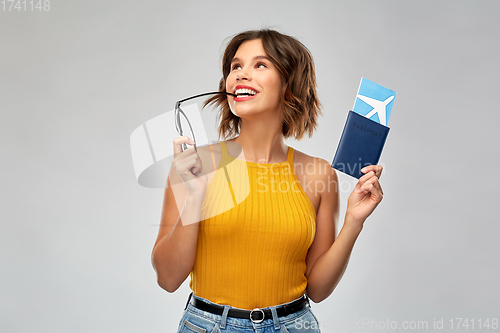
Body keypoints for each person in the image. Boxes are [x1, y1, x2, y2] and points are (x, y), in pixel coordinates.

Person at [151, 29, 384, 333]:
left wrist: (354, 221)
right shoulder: (196, 165)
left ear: (289, 84)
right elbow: (168, 279)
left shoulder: (318, 174)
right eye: (235, 66)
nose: (241, 75)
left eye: (260, 65)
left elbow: (318, 289)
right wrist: (195, 197)